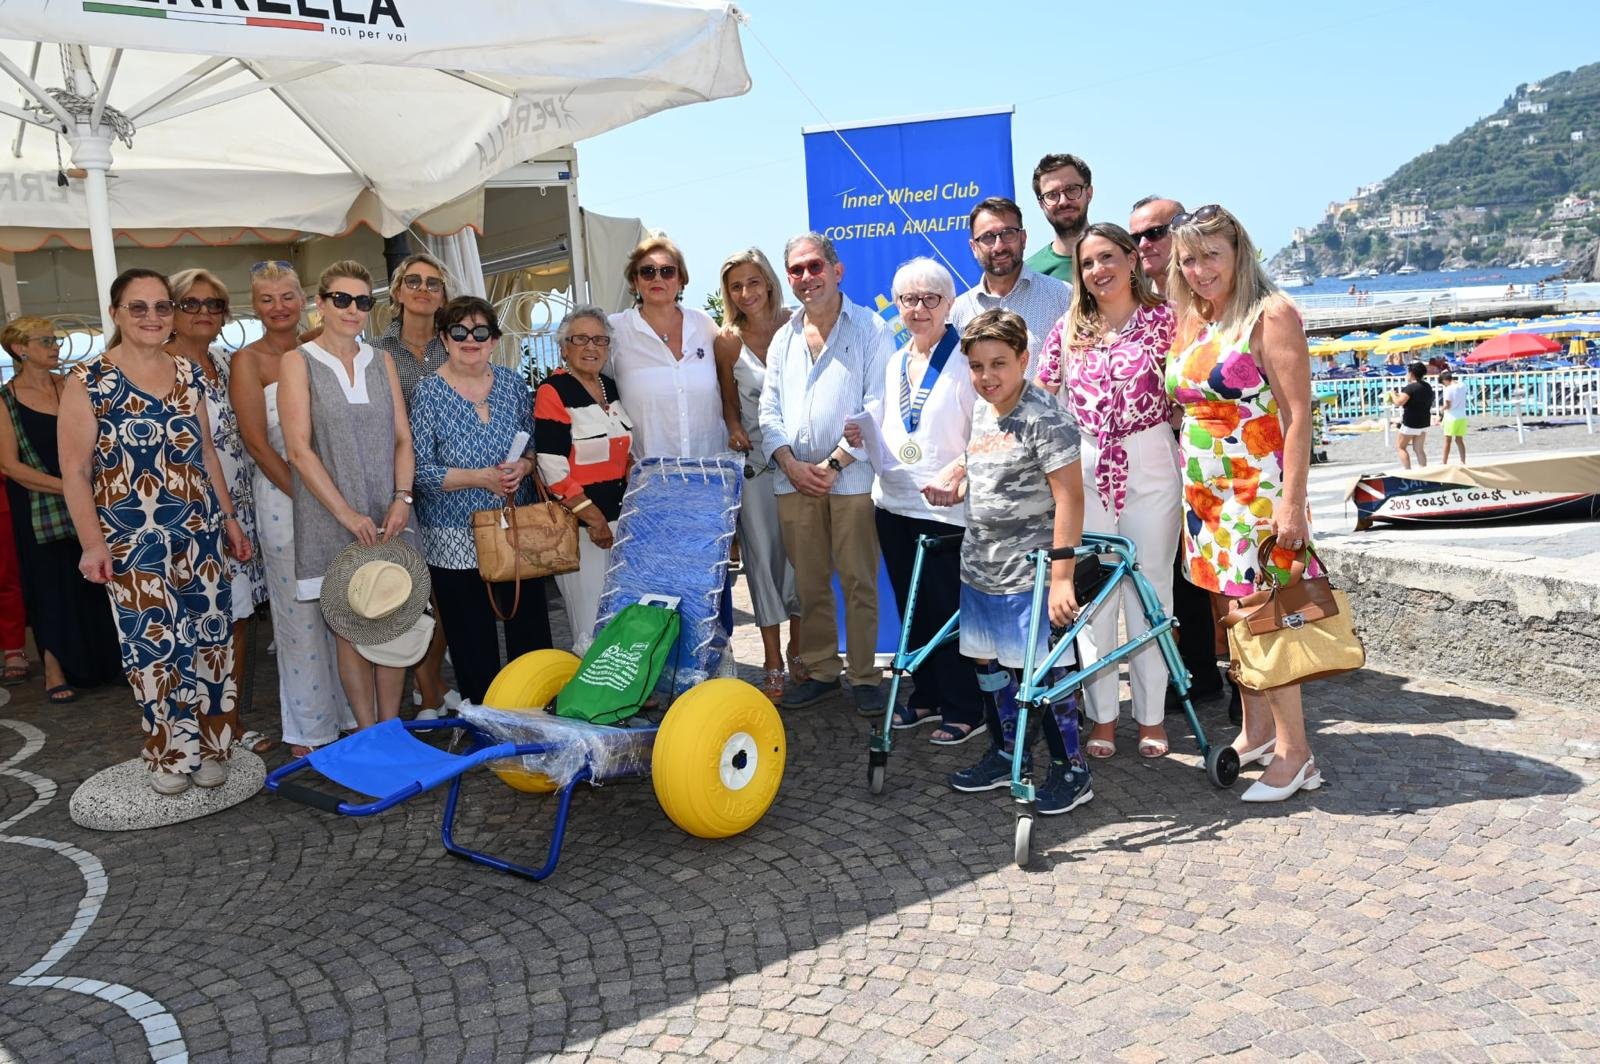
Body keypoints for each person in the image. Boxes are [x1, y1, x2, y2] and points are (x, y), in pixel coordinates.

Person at [58, 268, 253, 794]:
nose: (152, 317)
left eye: (162, 307)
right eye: (138, 307)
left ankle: (214, 746)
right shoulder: (89, 380)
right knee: (154, 649)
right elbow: (74, 471)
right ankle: (170, 754)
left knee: (211, 639)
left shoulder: (188, 373)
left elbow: (206, 452)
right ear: (117, 313)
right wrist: (91, 544)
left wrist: (230, 519)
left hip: (200, 531)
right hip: (129, 539)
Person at [1166, 204, 1324, 802]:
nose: (1201, 269)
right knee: (1231, 620)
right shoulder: (1194, 317)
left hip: (1256, 494)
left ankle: (1296, 753)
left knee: (1267, 619)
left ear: (1239, 253)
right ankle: (1257, 731)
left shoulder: (1271, 314)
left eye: (1212, 255)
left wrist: (1293, 503)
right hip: (1205, 499)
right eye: (1190, 258)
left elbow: (1298, 413)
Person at [924, 308, 1091, 815]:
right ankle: (1006, 754)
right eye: (976, 366)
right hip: (980, 568)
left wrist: (1062, 577)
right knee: (988, 666)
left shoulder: (1047, 419)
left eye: (999, 363)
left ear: (1024, 358)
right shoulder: (983, 410)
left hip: (1032, 575)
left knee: (1042, 675)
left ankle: (1071, 769)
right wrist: (957, 477)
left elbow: (1071, 500)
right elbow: (981, 462)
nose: (987, 377)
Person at [1038, 224, 1181, 758]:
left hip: (1151, 460)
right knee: (1093, 596)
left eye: (1107, 257)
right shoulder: (1068, 328)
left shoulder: (1167, 320)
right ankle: (1102, 717)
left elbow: (1187, 391)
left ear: (1130, 258)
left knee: (1151, 591)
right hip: (1087, 465)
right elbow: (1041, 398)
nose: (1099, 270)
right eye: (1088, 263)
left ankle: (1150, 716)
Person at [843, 257, 983, 744]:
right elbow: (889, 424)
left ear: (949, 304)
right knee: (912, 604)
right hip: (894, 503)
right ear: (897, 304)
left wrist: (961, 467)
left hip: (946, 507)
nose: (918, 309)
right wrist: (861, 436)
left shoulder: (968, 361)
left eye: (930, 299)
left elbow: (987, 430)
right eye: (908, 299)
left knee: (947, 608)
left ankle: (966, 704)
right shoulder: (895, 361)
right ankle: (926, 695)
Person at [759, 231, 894, 712]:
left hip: (852, 480)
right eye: (796, 270)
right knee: (810, 581)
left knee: (859, 579)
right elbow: (768, 411)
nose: (805, 277)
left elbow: (878, 404)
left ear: (837, 270)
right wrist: (792, 465)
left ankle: (862, 676)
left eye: (814, 266)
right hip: (792, 481)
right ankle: (819, 669)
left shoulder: (872, 328)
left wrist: (834, 463)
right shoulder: (783, 337)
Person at [279, 260, 415, 730]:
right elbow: (298, 449)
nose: (353, 309)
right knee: (351, 627)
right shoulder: (297, 362)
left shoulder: (382, 361)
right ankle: (367, 729)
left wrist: (403, 498)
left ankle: (391, 727)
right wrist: (345, 514)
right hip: (330, 516)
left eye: (362, 301)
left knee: (394, 619)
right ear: (321, 303)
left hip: (388, 511)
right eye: (342, 299)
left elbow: (402, 438)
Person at [230, 262, 355, 756]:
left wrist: (335, 502)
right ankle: (310, 728)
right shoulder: (248, 361)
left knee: (344, 609)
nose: (278, 307)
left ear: (304, 298)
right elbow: (257, 444)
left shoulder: (320, 347)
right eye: (267, 299)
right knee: (298, 616)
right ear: (254, 305)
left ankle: (351, 712)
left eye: (287, 296)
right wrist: (311, 500)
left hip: (337, 500)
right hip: (284, 499)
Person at [411, 296, 551, 701]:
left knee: (530, 628)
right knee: (471, 638)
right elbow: (419, 471)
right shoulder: (428, 393)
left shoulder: (511, 384)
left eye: (479, 332)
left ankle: (535, 707)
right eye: (458, 331)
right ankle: (485, 719)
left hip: (515, 528)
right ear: (444, 338)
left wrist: (524, 467)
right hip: (454, 537)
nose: (469, 339)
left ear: (493, 340)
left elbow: (534, 447)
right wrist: (480, 478)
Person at [1125, 195, 1227, 714]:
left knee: (1228, 579)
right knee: (1180, 572)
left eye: (1157, 232)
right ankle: (1199, 672)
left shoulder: (1211, 297)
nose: (1146, 244)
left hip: (1225, 463)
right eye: (1137, 235)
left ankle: (1246, 680)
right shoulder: (1138, 300)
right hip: (1169, 460)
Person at [165, 268, 273, 750]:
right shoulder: (158, 368)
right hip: (188, 514)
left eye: (213, 304)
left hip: (239, 512)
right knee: (193, 625)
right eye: (191, 303)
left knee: (238, 617)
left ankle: (227, 724)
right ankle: (192, 728)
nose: (204, 312)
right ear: (171, 311)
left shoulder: (228, 363)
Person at [1, 318, 123, 700]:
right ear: (21, 350)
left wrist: (84, 487)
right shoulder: (5, 400)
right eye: (46, 341)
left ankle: (110, 661)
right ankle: (54, 670)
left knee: (96, 581)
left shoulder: (72, 384)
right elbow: (9, 465)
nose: (56, 346)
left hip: (85, 495)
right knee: (48, 585)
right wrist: (71, 489)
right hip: (37, 503)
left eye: (56, 339)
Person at [714, 248, 803, 700]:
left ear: (769, 282)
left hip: (801, 464)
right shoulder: (727, 340)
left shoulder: (798, 322)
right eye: (735, 286)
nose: (746, 292)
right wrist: (733, 429)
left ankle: (800, 650)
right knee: (761, 562)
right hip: (755, 469)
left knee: (801, 559)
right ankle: (771, 660)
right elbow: (728, 403)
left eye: (753, 282)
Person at [370, 251, 454, 715]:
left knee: (445, 592)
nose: (424, 289)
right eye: (415, 281)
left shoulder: (456, 345)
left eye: (434, 283)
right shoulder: (377, 353)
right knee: (410, 590)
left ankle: (430, 682)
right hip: (399, 485)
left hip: (451, 485)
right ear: (398, 292)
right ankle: (429, 685)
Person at [535, 307, 635, 655]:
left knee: (622, 613)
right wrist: (592, 519)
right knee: (591, 622)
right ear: (564, 347)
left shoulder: (611, 388)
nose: (591, 347)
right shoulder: (553, 391)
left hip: (621, 522)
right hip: (582, 527)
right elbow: (551, 467)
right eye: (580, 339)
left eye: (599, 340)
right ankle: (592, 702)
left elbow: (624, 456)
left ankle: (621, 692)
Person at [607, 237, 730, 460]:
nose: (657, 278)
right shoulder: (615, 330)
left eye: (667, 271)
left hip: (710, 470)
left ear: (681, 279)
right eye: (647, 271)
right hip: (650, 477)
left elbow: (731, 379)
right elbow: (595, 390)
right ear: (635, 281)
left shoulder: (704, 325)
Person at [950, 197, 1071, 360]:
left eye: (1008, 234)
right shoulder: (956, 312)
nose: (999, 246)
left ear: (1023, 238)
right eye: (987, 237)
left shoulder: (1063, 297)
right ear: (973, 247)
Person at [1024, 154, 1095, 282]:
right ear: (1041, 204)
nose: (1063, 201)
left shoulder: (1121, 256)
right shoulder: (1030, 275)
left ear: (1089, 193)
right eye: (1052, 195)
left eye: (1072, 189)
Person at [1128, 196, 1185, 299]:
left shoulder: (1213, 290)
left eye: (1154, 233)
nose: (1142, 244)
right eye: (1135, 238)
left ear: (1182, 232)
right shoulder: (1130, 303)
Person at [1393, 360, 1434, 469]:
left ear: (1412, 374)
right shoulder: (1427, 386)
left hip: (1411, 422)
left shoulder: (1410, 387)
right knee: (1419, 449)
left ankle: (1408, 471)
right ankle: (1424, 471)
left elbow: (1398, 402)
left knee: (1400, 447)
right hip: (1424, 421)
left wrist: (1392, 395)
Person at [1439, 369, 1468, 464]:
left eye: (1443, 383)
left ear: (1445, 380)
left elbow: (1448, 405)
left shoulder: (1448, 389)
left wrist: (1441, 409)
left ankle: (1444, 461)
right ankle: (1463, 461)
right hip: (1462, 416)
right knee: (1459, 440)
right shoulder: (1462, 385)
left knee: (1447, 441)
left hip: (1451, 416)